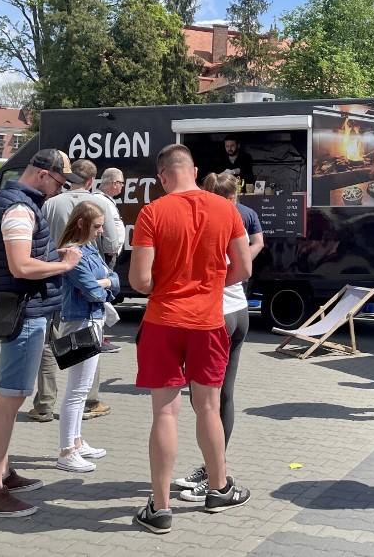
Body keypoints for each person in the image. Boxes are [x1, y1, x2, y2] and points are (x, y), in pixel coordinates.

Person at [129, 144, 252, 533]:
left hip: (163, 320)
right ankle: (219, 488)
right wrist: (212, 286)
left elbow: (140, 281)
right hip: (209, 322)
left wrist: (166, 287)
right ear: (195, 170)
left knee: (165, 412)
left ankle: (160, 508)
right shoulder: (226, 209)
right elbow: (244, 267)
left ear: (162, 177)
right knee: (209, 408)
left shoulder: (152, 212)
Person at [0, 149, 83, 518]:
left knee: (12, 397)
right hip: (24, 315)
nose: (57, 191)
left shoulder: (15, 203)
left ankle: (1, 473)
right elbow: (20, 265)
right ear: (41, 175)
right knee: (10, 400)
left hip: (23, 312)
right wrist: (63, 263)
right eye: (58, 183)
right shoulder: (19, 208)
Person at [175, 172, 264, 502]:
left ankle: (216, 478)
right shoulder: (235, 219)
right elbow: (246, 261)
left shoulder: (208, 220)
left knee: (206, 403)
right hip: (238, 311)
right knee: (221, 398)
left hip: (218, 316)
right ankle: (212, 467)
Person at [29, 159, 114, 425]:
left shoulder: (50, 202)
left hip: (53, 282)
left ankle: (44, 404)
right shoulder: (97, 206)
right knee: (88, 341)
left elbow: (37, 238)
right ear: (91, 181)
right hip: (81, 282)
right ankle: (90, 400)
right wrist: (106, 280)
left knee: (49, 345)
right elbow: (110, 243)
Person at [55, 201, 119, 472]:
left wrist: (103, 283)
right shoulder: (72, 252)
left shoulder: (89, 249)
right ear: (81, 223)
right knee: (77, 390)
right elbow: (94, 291)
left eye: (102, 226)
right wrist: (103, 284)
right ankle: (66, 451)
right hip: (81, 322)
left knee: (81, 388)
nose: (100, 231)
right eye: (96, 226)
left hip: (92, 320)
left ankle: (77, 442)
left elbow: (113, 279)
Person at [93, 168, 126, 268]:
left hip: (107, 254)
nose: (123, 186)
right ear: (115, 183)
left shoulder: (105, 200)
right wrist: (111, 250)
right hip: (104, 255)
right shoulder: (100, 200)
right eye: (122, 183)